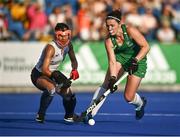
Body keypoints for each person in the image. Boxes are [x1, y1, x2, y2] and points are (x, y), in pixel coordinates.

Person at [89, 10, 150, 120]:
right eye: (107, 26)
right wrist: (113, 78)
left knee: (128, 97)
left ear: (120, 23)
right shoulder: (109, 40)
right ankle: (90, 113)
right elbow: (112, 61)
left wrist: (135, 60)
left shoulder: (130, 30)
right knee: (107, 83)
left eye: (112, 25)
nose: (109, 28)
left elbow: (145, 46)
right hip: (120, 59)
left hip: (138, 60)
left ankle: (140, 104)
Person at [30, 22, 79, 123]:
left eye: (66, 36)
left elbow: (74, 60)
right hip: (39, 75)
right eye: (61, 36)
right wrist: (57, 77)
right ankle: (40, 115)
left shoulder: (69, 45)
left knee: (70, 94)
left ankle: (69, 116)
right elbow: (44, 69)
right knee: (51, 88)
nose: (64, 38)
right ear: (56, 35)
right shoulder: (50, 48)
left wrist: (74, 69)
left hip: (52, 74)